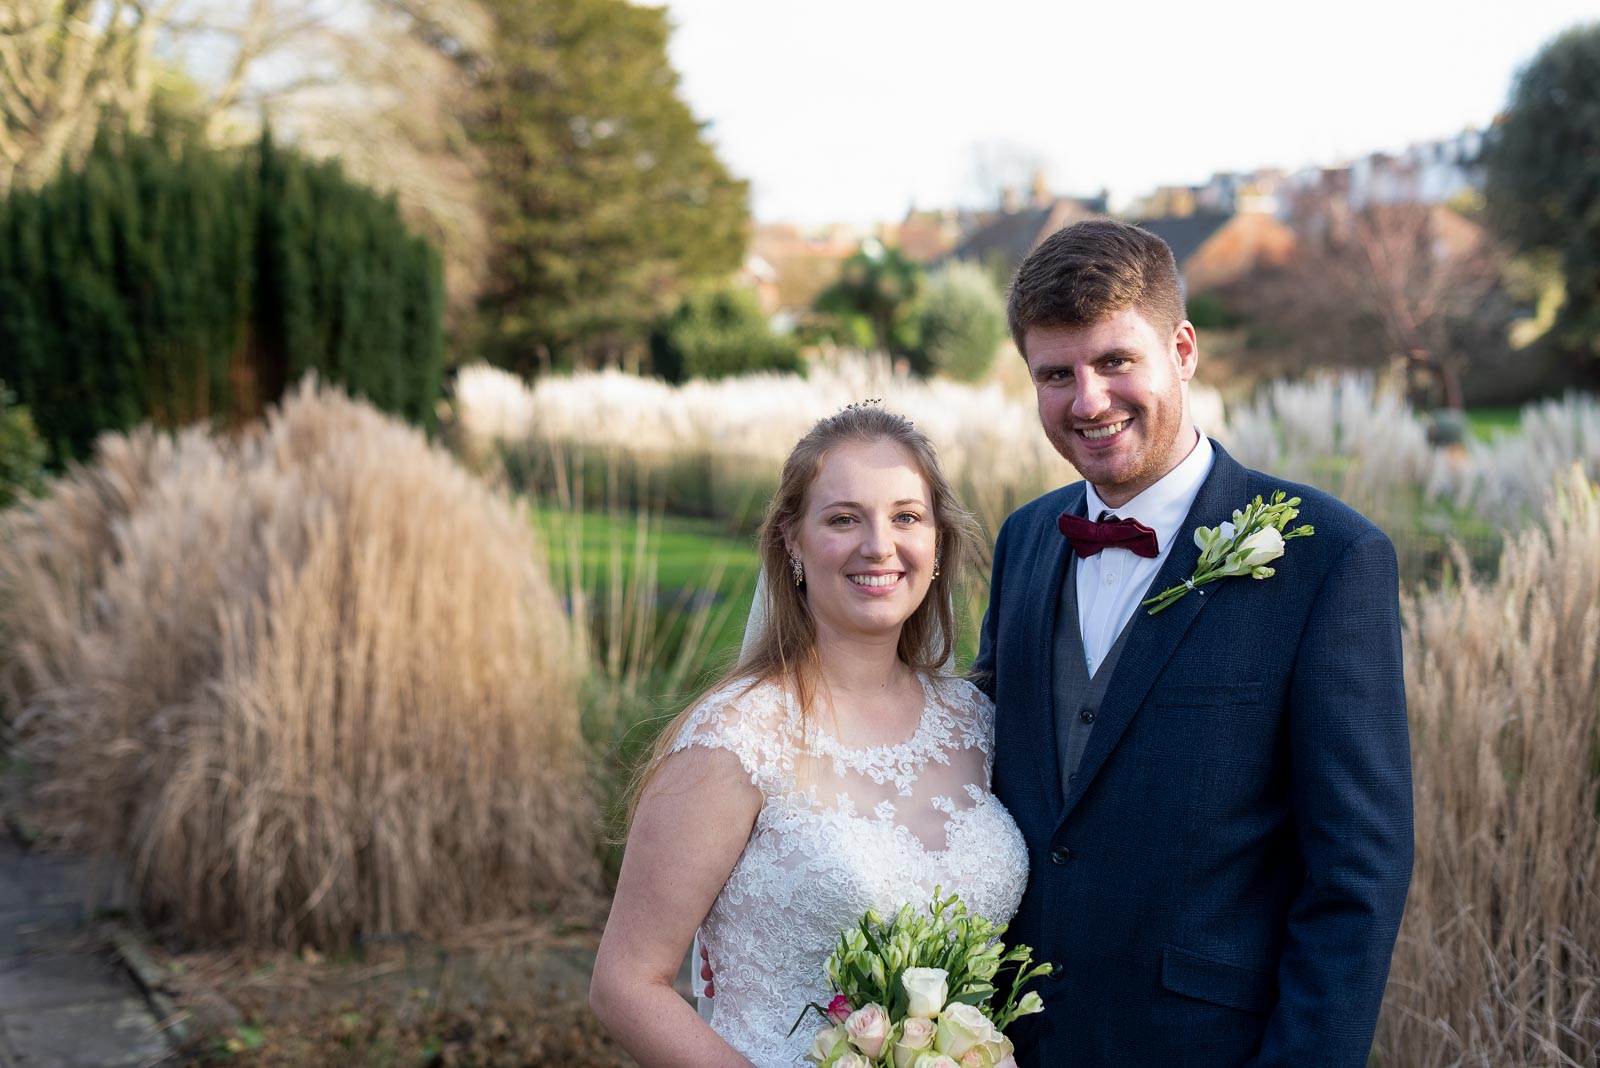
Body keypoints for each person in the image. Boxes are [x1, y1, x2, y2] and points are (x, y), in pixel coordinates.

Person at [974, 218, 1413, 1065]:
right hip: (1008, 1041)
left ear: (1182, 348)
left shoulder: (1331, 557)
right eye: (1055, 375)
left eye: (1114, 362)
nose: (1087, 401)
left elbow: (1357, 876)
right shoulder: (1026, 539)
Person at [589, 405, 1028, 1067]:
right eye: (843, 518)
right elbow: (626, 985)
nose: (879, 545)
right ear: (793, 541)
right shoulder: (735, 739)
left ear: (936, 541)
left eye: (906, 516)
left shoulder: (978, 722)